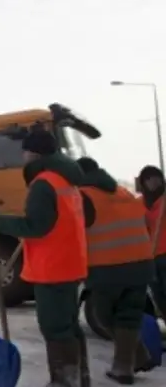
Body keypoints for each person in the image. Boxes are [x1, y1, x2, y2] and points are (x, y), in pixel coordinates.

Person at [0, 129, 88, 387]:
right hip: (68, 265)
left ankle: (65, 381)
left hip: (52, 268)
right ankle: (79, 377)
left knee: (55, 327)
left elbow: (36, 226)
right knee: (69, 325)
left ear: (35, 153)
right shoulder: (66, 181)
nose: (24, 156)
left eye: (26, 151)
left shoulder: (43, 184)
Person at [77, 157, 155, 384]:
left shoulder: (83, 196)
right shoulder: (124, 192)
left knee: (103, 315)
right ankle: (125, 366)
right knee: (128, 317)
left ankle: (135, 356)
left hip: (107, 267)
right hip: (141, 265)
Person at [137, 166, 166, 323]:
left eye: (156, 177)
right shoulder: (138, 203)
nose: (153, 182)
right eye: (148, 179)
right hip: (150, 258)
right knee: (159, 298)